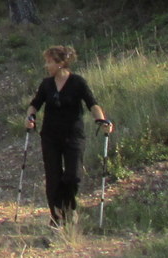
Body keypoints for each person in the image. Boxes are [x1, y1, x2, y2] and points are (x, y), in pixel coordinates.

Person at [25, 45, 113, 227]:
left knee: (73, 175)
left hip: (74, 135)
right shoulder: (46, 84)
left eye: (49, 62)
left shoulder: (77, 82)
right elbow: (35, 104)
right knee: (53, 176)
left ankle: (67, 206)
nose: (46, 65)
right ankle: (57, 217)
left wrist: (102, 121)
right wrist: (30, 117)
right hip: (50, 136)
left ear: (60, 63)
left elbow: (92, 104)